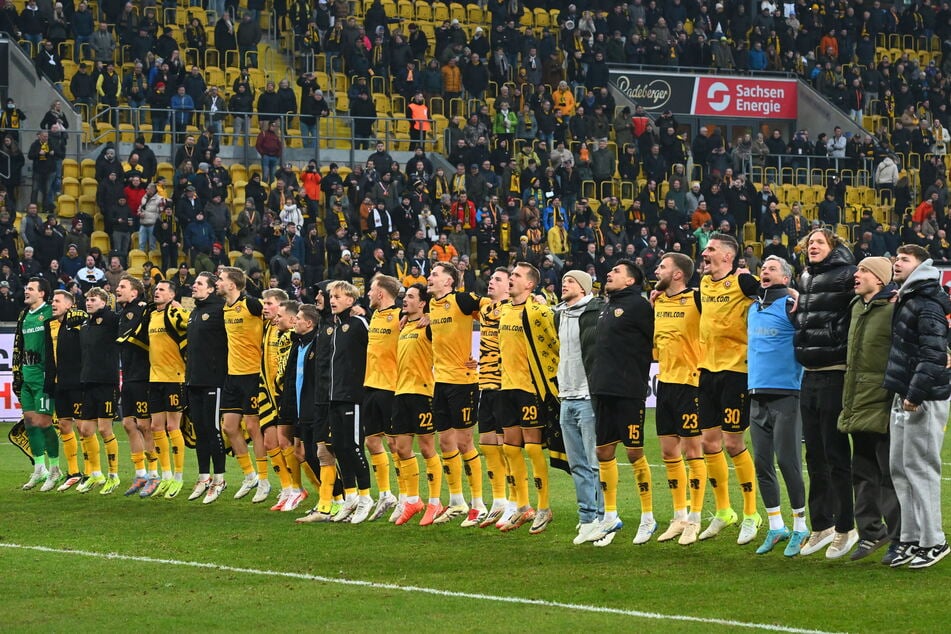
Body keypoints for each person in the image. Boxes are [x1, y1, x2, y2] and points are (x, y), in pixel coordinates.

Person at [884, 246, 951, 569]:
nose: (897, 263)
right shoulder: (910, 298)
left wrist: (916, 393)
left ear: (922, 266)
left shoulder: (926, 303)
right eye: (896, 259)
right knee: (900, 467)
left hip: (924, 397)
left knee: (922, 469)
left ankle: (934, 540)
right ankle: (911, 538)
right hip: (905, 393)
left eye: (904, 259)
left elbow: (934, 354)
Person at [794, 228, 858, 559]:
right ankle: (822, 524)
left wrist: (835, 339)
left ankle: (846, 527)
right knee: (814, 455)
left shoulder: (849, 273)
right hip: (809, 373)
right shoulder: (805, 276)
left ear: (833, 246)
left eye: (819, 242)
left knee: (835, 454)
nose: (812, 247)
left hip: (834, 372)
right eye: (809, 243)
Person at [696, 233, 761, 545]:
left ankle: (752, 513)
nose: (704, 253)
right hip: (706, 371)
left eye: (710, 249)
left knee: (734, 443)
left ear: (727, 256)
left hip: (737, 372)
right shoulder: (704, 285)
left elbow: (775, 294)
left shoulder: (744, 282)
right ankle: (724, 511)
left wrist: (792, 293)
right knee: (709, 443)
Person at [837, 257, 902, 563]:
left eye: (863, 270)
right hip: (857, 400)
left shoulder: (893, 309)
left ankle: (900, 538)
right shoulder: (856, 307)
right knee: (861, 472)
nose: (856, 274)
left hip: (883, 400)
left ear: (879, 279)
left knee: (889, 474)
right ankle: (870, 532)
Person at [588, 260, 655, 546]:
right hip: (603, 389)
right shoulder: (606, 306)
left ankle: (648, 517)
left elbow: (655, 337)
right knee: (603, 451)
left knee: (634, 453)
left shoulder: (639, 307)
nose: (609, 274)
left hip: (628, 390)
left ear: (630, 281)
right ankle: (611, 516)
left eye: (616, 272)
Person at [745, 256, 808, 556]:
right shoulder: (752, 309)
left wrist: (800, 296)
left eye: (771, 269)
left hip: (786, 394)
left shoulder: (791, 307)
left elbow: (816, 315)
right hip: (756, 394)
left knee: (787, 461)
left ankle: (800, 526)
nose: (764, 272)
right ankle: (775, 526)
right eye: (763, 269)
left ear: (785, 278)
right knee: (762, 464)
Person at [496, 262, 558, 534]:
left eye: (517, 276)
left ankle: (544, 507)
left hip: (530, 388)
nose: (511, 280)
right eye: (511, 276)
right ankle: (523, 507)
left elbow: (554, 343)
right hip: (505, 387)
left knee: (533, 448)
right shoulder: (504, 310)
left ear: (530, 284)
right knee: (510, 448)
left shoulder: (539, 311)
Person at [650, 253, 706, 546]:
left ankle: (695, 519)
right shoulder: (658, 300)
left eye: (662, 266)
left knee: (693, 451)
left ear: (678, 274)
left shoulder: (697, 299)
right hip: (666, 385)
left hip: (691, 384)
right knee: (669, 452)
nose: (656, 270)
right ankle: (679, 516)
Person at [555, 269, 606, 544]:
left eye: (571, 281)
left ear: (584, 288)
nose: (565, 284)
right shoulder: (559, 314)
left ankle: (603, 518)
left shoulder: (596, 311)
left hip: (587, 396)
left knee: (595, 463)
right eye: (563, 280)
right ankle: (587, 519)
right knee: (577, 464)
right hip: (566, 396)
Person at [391, 284, 442, 525]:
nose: (405, 300)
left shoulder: (429, 326)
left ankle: (435, 502)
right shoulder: (404, 325)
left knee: (426, 447)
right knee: (401, 448)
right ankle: (413, 500)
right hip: (401, 392)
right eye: (405, 296)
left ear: (422, 303)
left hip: (423, 392)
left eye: (411, 297)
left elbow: (449, 323)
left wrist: (433, 316)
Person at [215, 266, 268, 500]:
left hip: (252, 374)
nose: (217, 282)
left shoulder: (251, 304)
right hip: (232, 375)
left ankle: (264, 480)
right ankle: (250, 476)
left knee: (254, 427)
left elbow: (274, 313)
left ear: (232, 284)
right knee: (228, 427)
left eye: (221, 279)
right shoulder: (225, 307)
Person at [326, 280, 373, 523]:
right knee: (340, 448)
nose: (332, 300)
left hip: (353, 396)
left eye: (337, 296)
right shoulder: (332, 327)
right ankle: (351, 496)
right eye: (331, 296)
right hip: (334, 396)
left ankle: (366, 498)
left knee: (355, 447)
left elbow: (375, 349)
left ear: (350, 300)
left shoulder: (358, 324)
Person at [185, 272, 229, 504]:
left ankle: (219, 479)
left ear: (212, 289)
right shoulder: (195, 312)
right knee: (200, 430)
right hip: (194, 380)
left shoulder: (221, 309)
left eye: (199, 283)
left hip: (213, 380)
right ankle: (204, 477)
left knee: (212, 430)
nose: (194, 286)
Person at [361, 274, 402, 522]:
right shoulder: (374, 316)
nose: (367, 294)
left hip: (392, 386)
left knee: (397, 444)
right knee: (372, 442)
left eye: (371, 289)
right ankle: (386, 494)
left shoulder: (400, 316)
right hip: (371, 385)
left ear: (381, 293)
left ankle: (407, 495)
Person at [73, 287, 122, 494]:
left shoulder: (111, 319)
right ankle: (95, 474)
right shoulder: (84, 324)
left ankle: (114, 475)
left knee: (104, 429)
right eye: (87, 300)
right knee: (84, 429)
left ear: (103, 302)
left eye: (93, 300)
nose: (89, 303)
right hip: (88, 382)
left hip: (106, 382)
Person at [115, 275, 160, 497]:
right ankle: (140, 473)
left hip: (143, 376)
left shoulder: (141, 309)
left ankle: (154, 475)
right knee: (127, 424)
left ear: (134, 292)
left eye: (122, 287)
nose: (117, 289)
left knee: (145, 425)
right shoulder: (123, 313)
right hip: (129, 376)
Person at [14, 277, 59, 490]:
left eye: (30, 289)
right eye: (26, 288)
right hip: (27, 378)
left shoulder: (50, 311)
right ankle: (39, 468)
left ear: (42, 293)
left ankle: (55, 468)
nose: (26, 291)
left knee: (45, 423)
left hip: (44, 380)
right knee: (30, 422)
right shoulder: (24, 316)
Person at [474, 268, 511, 528]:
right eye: (491, 279)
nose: (491, 282)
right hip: (484, 382)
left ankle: (516, 501)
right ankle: (498, 499)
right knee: (487, 442)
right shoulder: (486, 307)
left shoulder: (514, 308)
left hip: (504, 383)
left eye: (498, 280)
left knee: (506, 445)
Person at [146, 280, 190, 499]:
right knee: (156, 427)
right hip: (154, 378)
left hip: (175, 377)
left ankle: (179, 476)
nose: (157, 292)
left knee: (173, 426)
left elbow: (191, 329)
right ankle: (166, 474)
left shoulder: (176, 314)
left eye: (162, 290)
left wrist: (182, 310)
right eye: (156, 290)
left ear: (172, 295)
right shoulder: (152, 315)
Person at [259, 290, 302, 509]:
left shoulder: (292, 333)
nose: (265, 307)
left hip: (288, 395)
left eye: (270, 303)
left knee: (302, 447)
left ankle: (317, 490)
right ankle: (289, 488)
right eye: (263, 303)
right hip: (269, 393)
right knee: (271, 442)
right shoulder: (267, 327)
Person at [48, 290, 86, 491]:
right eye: (52, 300)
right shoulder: (51, 325)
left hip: (78, 382)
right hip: (59, 383)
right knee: (64, 426)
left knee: (83, 427)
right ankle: (73, 472)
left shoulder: (79, 325)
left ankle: (91, 472)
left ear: (70, 305)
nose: (52, 304)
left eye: (57, 301)